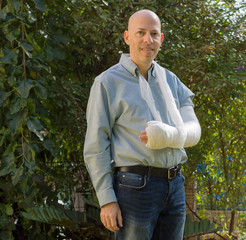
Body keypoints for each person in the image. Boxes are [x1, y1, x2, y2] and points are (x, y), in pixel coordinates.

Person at [84, 9, 201, 240]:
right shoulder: (107, 83)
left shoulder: (171, 80)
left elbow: (192, 129)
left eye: (154, 34)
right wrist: (107, 199)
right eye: (141, 33)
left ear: (161, 39)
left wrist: (167, 136)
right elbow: (96, 145)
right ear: (127, 37)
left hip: (175, 185)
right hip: (134, 188)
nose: (148, 40)